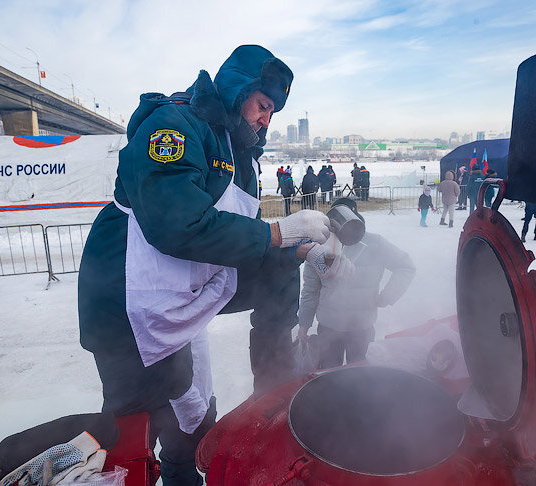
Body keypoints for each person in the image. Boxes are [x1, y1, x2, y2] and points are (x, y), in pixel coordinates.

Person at [77, 45, 344, 486]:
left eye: (273, 112)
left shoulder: (242, 156)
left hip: (186, 291)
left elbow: (244, 240)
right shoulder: (176, 125)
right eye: (263, 106)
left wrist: (298, 250)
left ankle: (274, 395)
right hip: (127, 300)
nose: (266, 120)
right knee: (140, 424)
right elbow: (176, 224)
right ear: (239, 90)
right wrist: (278, 232)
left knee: (194, 418)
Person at [297, 199, 415, 368]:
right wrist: (304, 324)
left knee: (360, 379)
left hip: (362, 328)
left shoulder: (376, 244)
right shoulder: (320, 248)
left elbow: (406, 266)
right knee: (328, 377)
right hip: (329, 328)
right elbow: (310, 290)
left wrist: (387, 296)